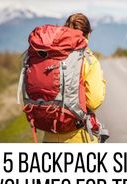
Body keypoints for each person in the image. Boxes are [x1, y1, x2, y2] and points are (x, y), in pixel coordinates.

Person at [43, 13, 106, 143]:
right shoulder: (88, 60)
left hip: (50, 135)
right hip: (78, 136)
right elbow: (94, 101)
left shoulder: (50, 56)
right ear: (88, 34)